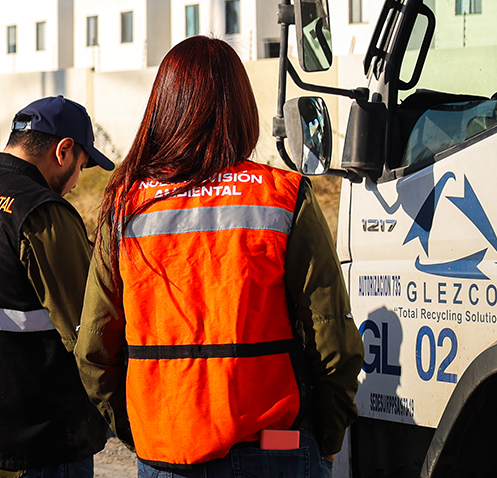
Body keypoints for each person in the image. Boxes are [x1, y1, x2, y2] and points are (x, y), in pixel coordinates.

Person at [74, 36, 363, 477]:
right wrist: (325, 438)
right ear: (241, 108)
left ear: (163, 109)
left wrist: (146, 432)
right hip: (275, 445)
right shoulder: (283, 197)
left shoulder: (125, 206)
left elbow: (94, 349)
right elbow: (333, 342)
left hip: (166, 450)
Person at [0, 96, 114, 478]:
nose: (77, 181)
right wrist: (124, 417)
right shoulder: (41, 212)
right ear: (64, 151)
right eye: (82, 166)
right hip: (34, 452)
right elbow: (92, 332)